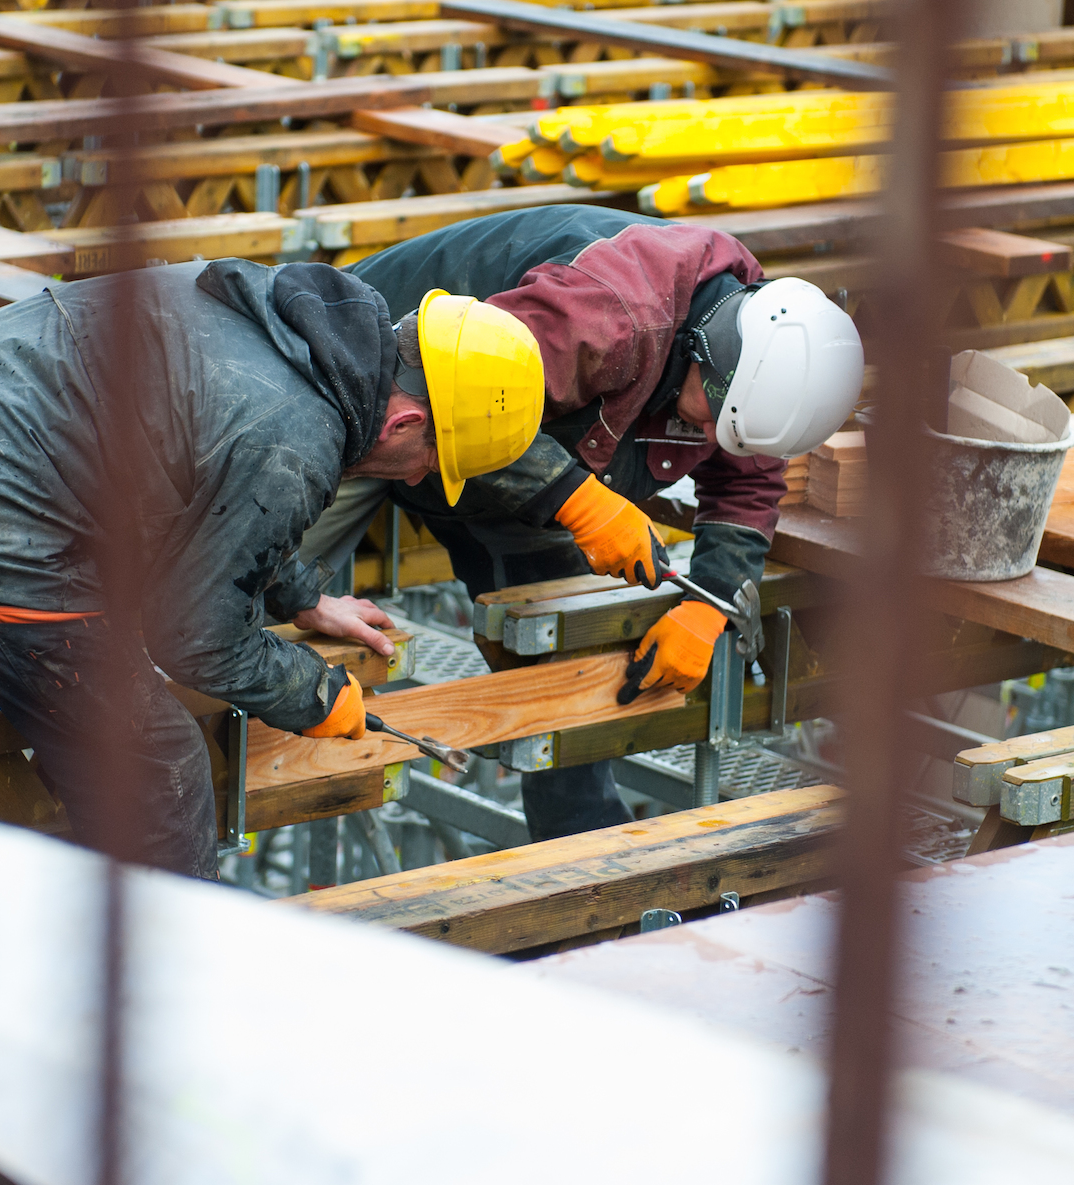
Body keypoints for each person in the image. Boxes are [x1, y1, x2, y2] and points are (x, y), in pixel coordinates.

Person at [0, 261, 544, 877]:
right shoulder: (298, 434)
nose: (419, 482)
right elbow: (195, 635)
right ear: (404, 424)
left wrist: (303, 597)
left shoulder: (289, 323)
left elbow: (211, 489)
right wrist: (317, 692)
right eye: (431, 462)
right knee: (159, 769)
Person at [339, 205, 864, 839]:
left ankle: (582, 859)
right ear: (708, 354)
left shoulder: (757, 359)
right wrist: (582, 503)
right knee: (264, 597)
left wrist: (714, 602)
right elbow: (456, 395)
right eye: (712, 418)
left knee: (566, 671)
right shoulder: (606, 315)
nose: (708, 436)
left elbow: (748, 476)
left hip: (509, 449)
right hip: (369, 397)